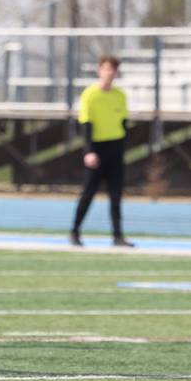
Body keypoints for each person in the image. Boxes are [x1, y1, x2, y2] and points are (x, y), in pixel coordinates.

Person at [70, 55, 133, 247]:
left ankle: (117, 236)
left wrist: (121, 148)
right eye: (106, 68)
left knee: (116, 195)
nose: (109, 73)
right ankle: (75, 231)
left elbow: (123, 123)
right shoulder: (90, 94)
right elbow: (86, 125)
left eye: (113, 69)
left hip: (115, 148)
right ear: (100, 70)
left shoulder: (120, 95)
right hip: (97, 149)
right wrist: (89, 151)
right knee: (88, 193)